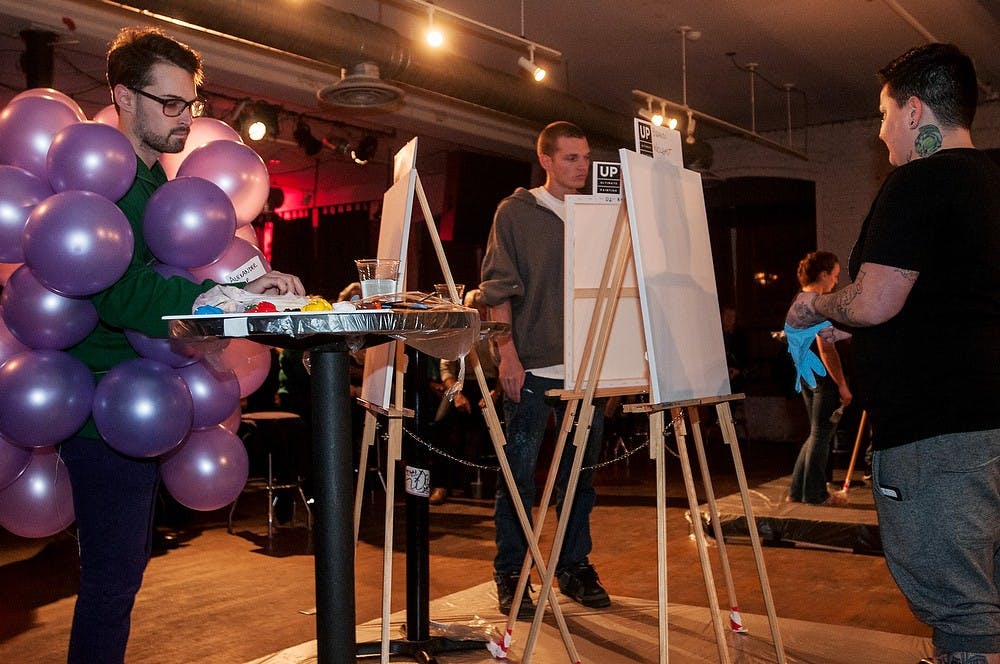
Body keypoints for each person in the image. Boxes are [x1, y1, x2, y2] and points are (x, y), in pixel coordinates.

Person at [60, 27, 305, 664]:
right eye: (171, 104)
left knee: (120, 578)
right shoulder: (105, 177)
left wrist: (251, 281)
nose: (185, 118)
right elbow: (118, 286)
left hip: (137, 403)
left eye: (191, 104)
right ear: (125, 97)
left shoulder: (149, 183)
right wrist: (210, 307)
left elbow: (176, 264)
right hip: (103, 407)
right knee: (111, 584)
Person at [785, 43, 999, 663]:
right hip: (988, 422)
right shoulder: (992, 181)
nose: (880, 132)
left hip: (940, 436)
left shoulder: (917, 182)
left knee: (961, 611)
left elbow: (877, 300)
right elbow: (954, 298)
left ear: (913, 111)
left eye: (883, 114)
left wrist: (815, 307)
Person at [480, 121, 609, 618]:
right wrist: (506, 355)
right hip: (533, 366)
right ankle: (512, 574)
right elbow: (497, 288)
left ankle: (574, 566)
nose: (582, 166)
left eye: (586, 157)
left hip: (588, 369)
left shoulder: (597, 214)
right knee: (519, 478)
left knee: (580, 477)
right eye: (572, 158)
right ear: (548, 161)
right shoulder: (515, 213)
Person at [783, 251, 851, 506]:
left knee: (815, 433)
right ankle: (814, 494)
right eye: (833, 276)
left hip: (806, 376)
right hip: (823, 378)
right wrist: (842, 385)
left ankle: (797, 491)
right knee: (822, 435)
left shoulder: (799, 301)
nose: (835, 282)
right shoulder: (816, 303)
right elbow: (826, 348)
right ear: (823, 275)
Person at [432, 289, 501, 505]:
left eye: (483, 308)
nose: (480, 312)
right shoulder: (457, 331)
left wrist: (495, 393)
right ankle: (441, 484)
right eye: (475, 308)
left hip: (490, 386)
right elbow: (446, 368)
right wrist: (457, 393)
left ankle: (492, 484)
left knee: (488, 426)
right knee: (441, 422)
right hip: (460, 385)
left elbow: (504, 369)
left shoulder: (495, 332)